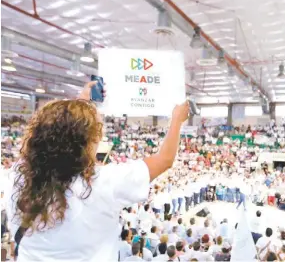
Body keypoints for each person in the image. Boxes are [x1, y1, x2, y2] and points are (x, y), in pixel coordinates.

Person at [4, 82, 190, 261]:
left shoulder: (18, 176)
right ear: (84, 144)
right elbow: (164, 159)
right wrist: (177, 120)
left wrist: (79, 108)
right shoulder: (104, 183)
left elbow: (56, 136)